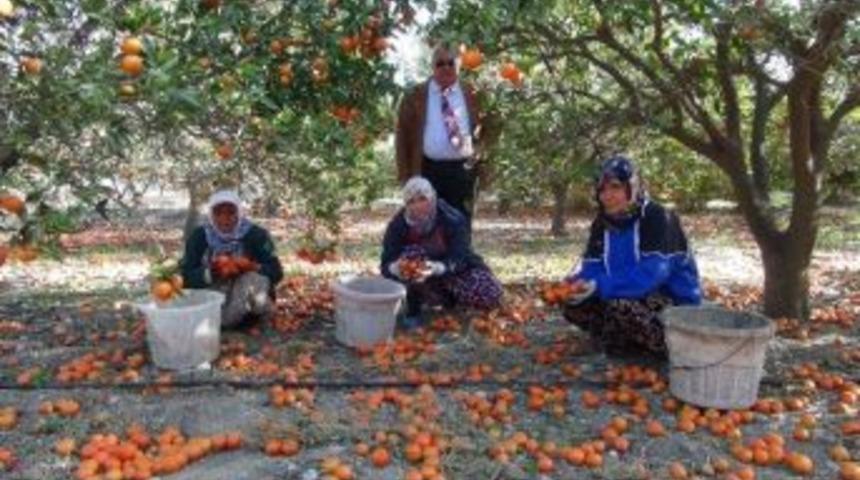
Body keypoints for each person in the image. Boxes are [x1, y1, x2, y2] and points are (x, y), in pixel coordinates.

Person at [563, 155, 702, 357]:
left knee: (620, 306)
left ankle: (672, 346)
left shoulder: (658, 217)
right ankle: (620, 340)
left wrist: (599, 285)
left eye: (615, 187)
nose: (607, 196)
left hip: (672, 303)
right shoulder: (602, 223)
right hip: (626, 294)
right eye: (602, 189)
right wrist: (573, 285)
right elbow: (592, 267)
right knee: (572, 303)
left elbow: (652, 274)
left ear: (633, 187)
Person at [381, 176, 502, 329]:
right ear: (406, 204)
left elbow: (461, 256)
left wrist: (438, 268)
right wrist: (395, 268)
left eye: (422, 198)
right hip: (424, 282)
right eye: (411, 201)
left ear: (432, 197)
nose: (418, 205)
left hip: (455, 273)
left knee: (489, 291)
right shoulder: (397, 225)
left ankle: (455, 301)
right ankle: (414, 310)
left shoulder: (452, 218)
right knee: (411, 255)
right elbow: (386, 263)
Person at [395, 43, 494, 224]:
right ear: (432, 66)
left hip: (464, 172)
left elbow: (488, 131)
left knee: (461, 226)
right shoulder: (414, 96)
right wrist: (405, 176)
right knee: (428, 227)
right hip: (427, 170)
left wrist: (483, 161)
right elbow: (402, 138)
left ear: (459, 65)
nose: (446, 67)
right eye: (440, 63)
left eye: (451, 63)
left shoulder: (474, 94)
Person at [180, 190, 284, 329]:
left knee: (253, 279)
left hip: (246, 295)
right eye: (218, 213)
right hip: (214, 293)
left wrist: (252, 266)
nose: (225, 219)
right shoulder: (199, 236)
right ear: (211, 214)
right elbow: (185, 276)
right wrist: (211, 273)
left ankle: (249, 317)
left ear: (239, 213)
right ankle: (220, 319)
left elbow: (277, 272)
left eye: (231, 212)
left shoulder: (257, 235)